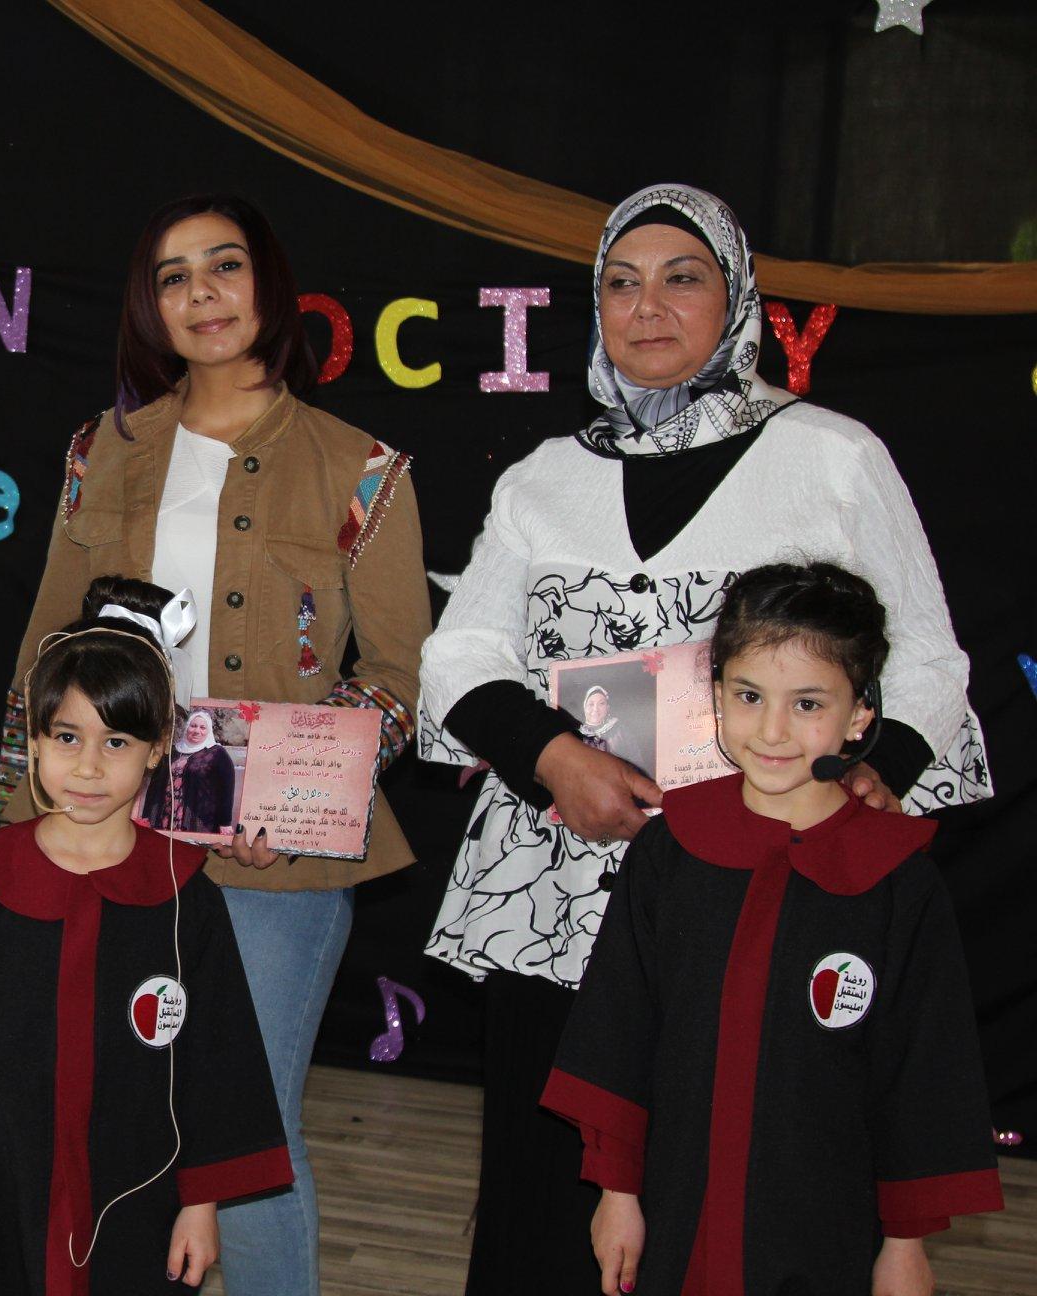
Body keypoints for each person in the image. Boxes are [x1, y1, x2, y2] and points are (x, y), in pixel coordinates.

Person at [417, 183, 991, 1295]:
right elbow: (459, 655)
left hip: (755, 895)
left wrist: (878, 774)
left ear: (737, 299)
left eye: (682, 278)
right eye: (620, 283)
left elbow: (928, 658)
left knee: (727, 1187)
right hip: (562, 882)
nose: (648, 307)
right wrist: (555, 762)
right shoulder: (545, 478)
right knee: (548, 1199)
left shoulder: (831, 456)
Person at [0, 194, 430, 1294]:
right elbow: (48, 650)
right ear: (152, 306)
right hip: (106, 829)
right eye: (174, 276)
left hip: (272, 861)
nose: (202, 295)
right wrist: (22, 821)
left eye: (223, 266)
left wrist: (295, 795)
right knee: (106, 1103)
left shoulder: (362, 469)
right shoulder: (101, 451)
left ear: (268, 283)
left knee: (243, 1131)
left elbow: (396, 678)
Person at [543, 561, 1003, 1296]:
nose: (773, 730)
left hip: (826, 1229)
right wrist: (617, 1192)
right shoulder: (673, 850)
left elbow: (922, 1073)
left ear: (860, 715)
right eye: (750, 695)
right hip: (677, 1211)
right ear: (716, 696)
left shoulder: (897, 881)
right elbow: (619, 1029)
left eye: (808, 703)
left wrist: (905, 1244)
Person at [0, 577, 292, 1294]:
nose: (87, 767)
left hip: (140, 1197)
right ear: (33, 740)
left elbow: (218, 1059)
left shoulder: (185, 896)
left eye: (117, 741)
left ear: (158, 748)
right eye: (66, 737)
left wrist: (200, 1204)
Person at [143, 709, 237, 833]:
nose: (197, 731)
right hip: (166, 814)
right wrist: (146, 815)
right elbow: (155, 785)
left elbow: (226, 790)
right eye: (193, 726)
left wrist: (225, 822)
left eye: (202, 727)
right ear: (187, 728)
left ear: (209, 731)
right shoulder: (172, 751)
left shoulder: (217, 754)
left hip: (199, 818)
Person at [576, 686, 622, 758]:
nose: (595, 709)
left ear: (607, 708)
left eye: (601, 703)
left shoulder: (619, 732)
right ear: (584, 707)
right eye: (591, 704)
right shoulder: (574, 734)